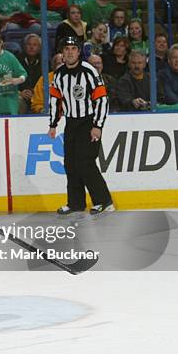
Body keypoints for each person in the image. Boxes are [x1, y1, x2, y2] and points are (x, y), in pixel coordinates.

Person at [49, 36, 113, 218]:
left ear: (79, 52)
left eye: (73, 49)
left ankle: (104, 201)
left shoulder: (89, 71)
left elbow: (101, 99)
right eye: (66, 49)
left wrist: (97, 125)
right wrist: (53, 124)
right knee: (70, 163)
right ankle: (76, 203)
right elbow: (55, 100)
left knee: (86, 162)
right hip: (71, 123)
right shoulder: (59, 74)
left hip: (89, 121)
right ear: (62, 52)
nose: (69, 52)